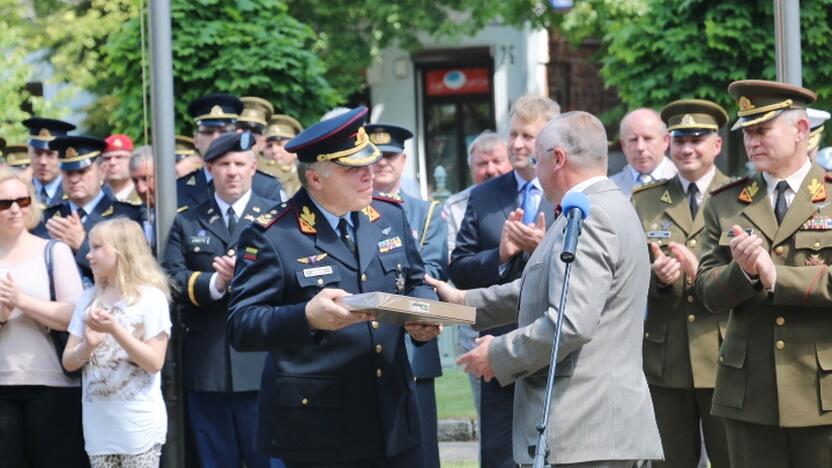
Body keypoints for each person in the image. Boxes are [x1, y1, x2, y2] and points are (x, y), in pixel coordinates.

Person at [428, 111, 664, 467]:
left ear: (558, 159)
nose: (534, 171)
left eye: (536, 160)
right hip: (596, 432)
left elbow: (571, 322)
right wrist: (463, 302)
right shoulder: (606, 205)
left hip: (586, 430)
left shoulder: (591, 215)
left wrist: (498, 354)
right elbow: (546, 285)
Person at [226, 106, 442, 467]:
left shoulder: (389, 215)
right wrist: (306, 317)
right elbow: (241, 325)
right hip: (319, 428)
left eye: (369, 164)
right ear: (315, 178)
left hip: (393, 416)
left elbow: (415, 281)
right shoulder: (272, 234)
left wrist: (423, 316)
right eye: (353, 169)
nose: (368, 176)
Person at [695, 80, 832, 467]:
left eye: (762, 130)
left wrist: (776, 278)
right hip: (750, 394)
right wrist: (745, 274)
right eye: (747, 132)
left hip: (823, 393)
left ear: (801, 131)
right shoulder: (724, 203)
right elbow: (706, 291)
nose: (751, 141)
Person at [449, 94, 559, 468]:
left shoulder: (567, 194)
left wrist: (545, 247)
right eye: (512, 134)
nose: (516, 144)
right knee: (499, 457)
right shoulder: (483, 196)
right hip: (498, 351)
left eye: (527, 136)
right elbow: (459, 269)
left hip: (554, 351)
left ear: (549, 141)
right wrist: (500, 254)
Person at [163, 131, 278, 468]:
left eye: (239, 163)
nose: (232, 171)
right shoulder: (188, 220)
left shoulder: (276, 217)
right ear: (209, 168)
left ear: (253, 167)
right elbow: (170, 278)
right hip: (208, 364)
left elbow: (294, 275)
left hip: (262, 361)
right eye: (223, 164)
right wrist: (216, 282)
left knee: (268, 461)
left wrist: (242, 279)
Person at [631, 99, 731, 468]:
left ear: (716, 145)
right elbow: (626, 274)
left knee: (731, 457)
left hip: (724, 355)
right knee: (669, 461)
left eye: (697, 139)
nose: (687, 149)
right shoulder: (645, 200)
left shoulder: (739, 197)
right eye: (680, 140)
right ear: (669, 145)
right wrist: (656, 279)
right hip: (665, 356)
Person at [367, 122, 448, 468]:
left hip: (414, 344)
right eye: (374, 156)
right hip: (364, 346)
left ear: (403, 160)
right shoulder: (350, 211)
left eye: (389, 156)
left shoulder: (426, 212)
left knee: (421, 452)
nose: (382, 163)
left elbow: (430, 275)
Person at [62, 218, 171, 468]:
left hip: (137, 421)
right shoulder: (89, 298)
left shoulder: (151, 298)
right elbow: (68, 362)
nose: (88, 255)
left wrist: (115, 329)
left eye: (97, 247)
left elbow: (154, 362)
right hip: (98, 421)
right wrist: (87, 346)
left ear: (122, 249)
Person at [0, 168, 87, 467]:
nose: (14, 209)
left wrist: (21, 301)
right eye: (4, 203)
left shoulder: (54, 251)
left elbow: (73, 315)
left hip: (52, 383)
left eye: (22, 201)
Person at [443, 131, 511, 415]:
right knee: (489, 415)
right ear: (471, 168)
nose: (490, 169)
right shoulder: (456, 206)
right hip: (475, 322)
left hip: (523, 321)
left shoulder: (528, 195)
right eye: (482, 164)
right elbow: (455, 266)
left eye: (497, 161)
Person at [34, 135, 143, 284]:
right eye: (69, 173)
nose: (74, 179)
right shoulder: (46, 218)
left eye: (83, 171)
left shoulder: (126, 215)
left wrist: (82, 245)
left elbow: (134, 271)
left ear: (102, 171)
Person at [178, 94, 283, 208]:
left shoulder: (266, 187)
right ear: (196, 140)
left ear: (237, 135)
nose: (215, 138)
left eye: (223, 132)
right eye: (208, 132)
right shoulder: (179, 189)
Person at [610, 108, 678, 197]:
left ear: (665, 141)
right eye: (633, 140)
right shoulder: (610, 189)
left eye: (647, 138)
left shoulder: (686, 183)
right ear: (623, 145)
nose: (640, 147)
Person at [23, 117, 76, 207]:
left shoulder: (76, 193)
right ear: (29, 153)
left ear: (62, 155)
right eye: (37, 153)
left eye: (50, 154)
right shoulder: (20, 192)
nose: (43, 162)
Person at [259, 114, 303, 198]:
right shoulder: (257, 177)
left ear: (294, 150)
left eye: (280, 144)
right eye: (269, 146)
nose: (274, 151)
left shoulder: (305, 177)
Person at [101, 134, 142, 205]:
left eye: (119, 157)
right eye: (107, 158)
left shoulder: (144, 197)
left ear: (132, 161)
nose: (112, 162)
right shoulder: (93, 198)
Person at [129, 146, 157, 249]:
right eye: (135, 181)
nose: (141, 189)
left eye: (146, 178)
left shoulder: (186, 215)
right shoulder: (131, 218)